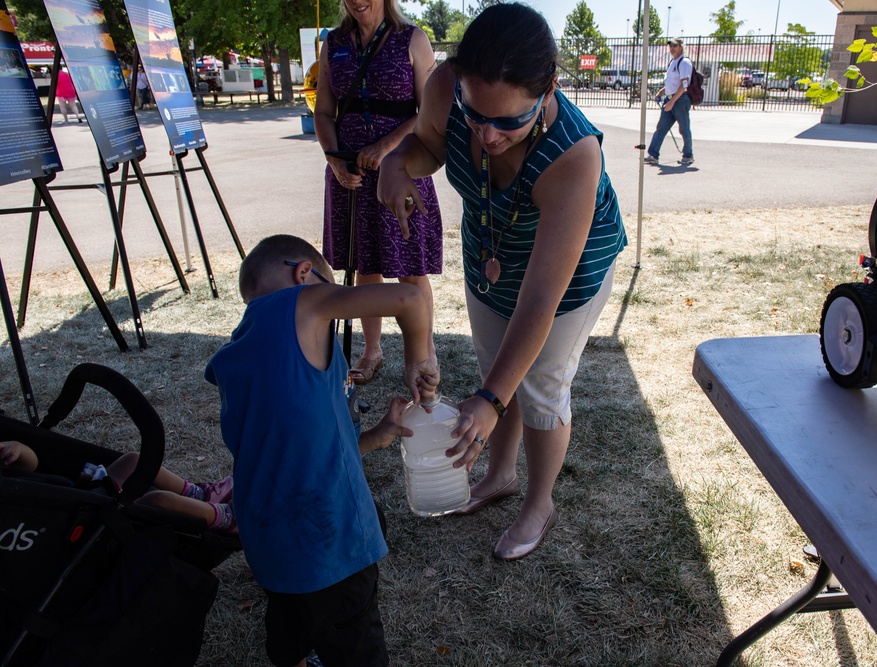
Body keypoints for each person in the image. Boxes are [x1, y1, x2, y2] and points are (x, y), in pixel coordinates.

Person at [377, 3, 628, 561]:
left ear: (549, 89)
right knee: (497, 366)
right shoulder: (445, 87)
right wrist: (398, 162)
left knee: (538, 386)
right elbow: (427, 145)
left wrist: (490, 399)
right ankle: (501, 475)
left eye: (508, 121)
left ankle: (539, 501)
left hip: (569, 271)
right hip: (490, 245)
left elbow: (541, 298)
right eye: (475, 113)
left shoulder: (573, 155)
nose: (487, 136)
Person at [204, 234, 447, 667]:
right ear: (304, 274)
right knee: (353, 637)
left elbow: (298, 443)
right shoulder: (304, 303)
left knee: (290, 611)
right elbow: (411, 298)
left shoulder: (234, 357)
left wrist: (375, 434)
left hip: (267, 531)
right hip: (330, 535)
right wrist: (418, 361)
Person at [314, 0, 442, 386]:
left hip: (403, 166)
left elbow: (428, 111)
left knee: (411, 267)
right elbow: (323, 112)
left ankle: (425, 351)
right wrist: (335, 161)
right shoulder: (333, 43)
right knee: (363, 265)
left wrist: (386, 147)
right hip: (349, 171)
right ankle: (372, 350)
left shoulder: (412, 38)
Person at [0, 440, 236, 532]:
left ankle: (199, 495)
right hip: (83, 514)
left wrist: (19, 450)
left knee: (134, 460)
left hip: (85, 489)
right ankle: (230, 517)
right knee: (160, 501)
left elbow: (29, 466)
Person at [645, 38, 694, 167]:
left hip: (680, 100)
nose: (672, 48)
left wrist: (672, 101)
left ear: (681, 47)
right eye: (670, 46)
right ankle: (653, 154)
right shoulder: (672, 62)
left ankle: (688, 155)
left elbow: (683, 85)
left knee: (684, 129)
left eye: (674, 45)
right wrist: (662, 92)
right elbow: (672, 83)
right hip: (670, 99)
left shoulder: (684, 62)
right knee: (661, 128)